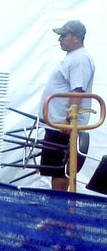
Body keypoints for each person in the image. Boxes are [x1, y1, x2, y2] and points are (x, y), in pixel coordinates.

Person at [39, 19, 96, 191]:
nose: (60, 39)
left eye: (63, 36)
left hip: (63, 126)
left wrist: (68, 120)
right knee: (55, 170)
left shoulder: (80, 59)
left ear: (76, 37)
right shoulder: (74, 57)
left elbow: (77, 91)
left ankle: (59, 214)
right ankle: (56, 212)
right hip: (57, 124)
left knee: (60, 171)